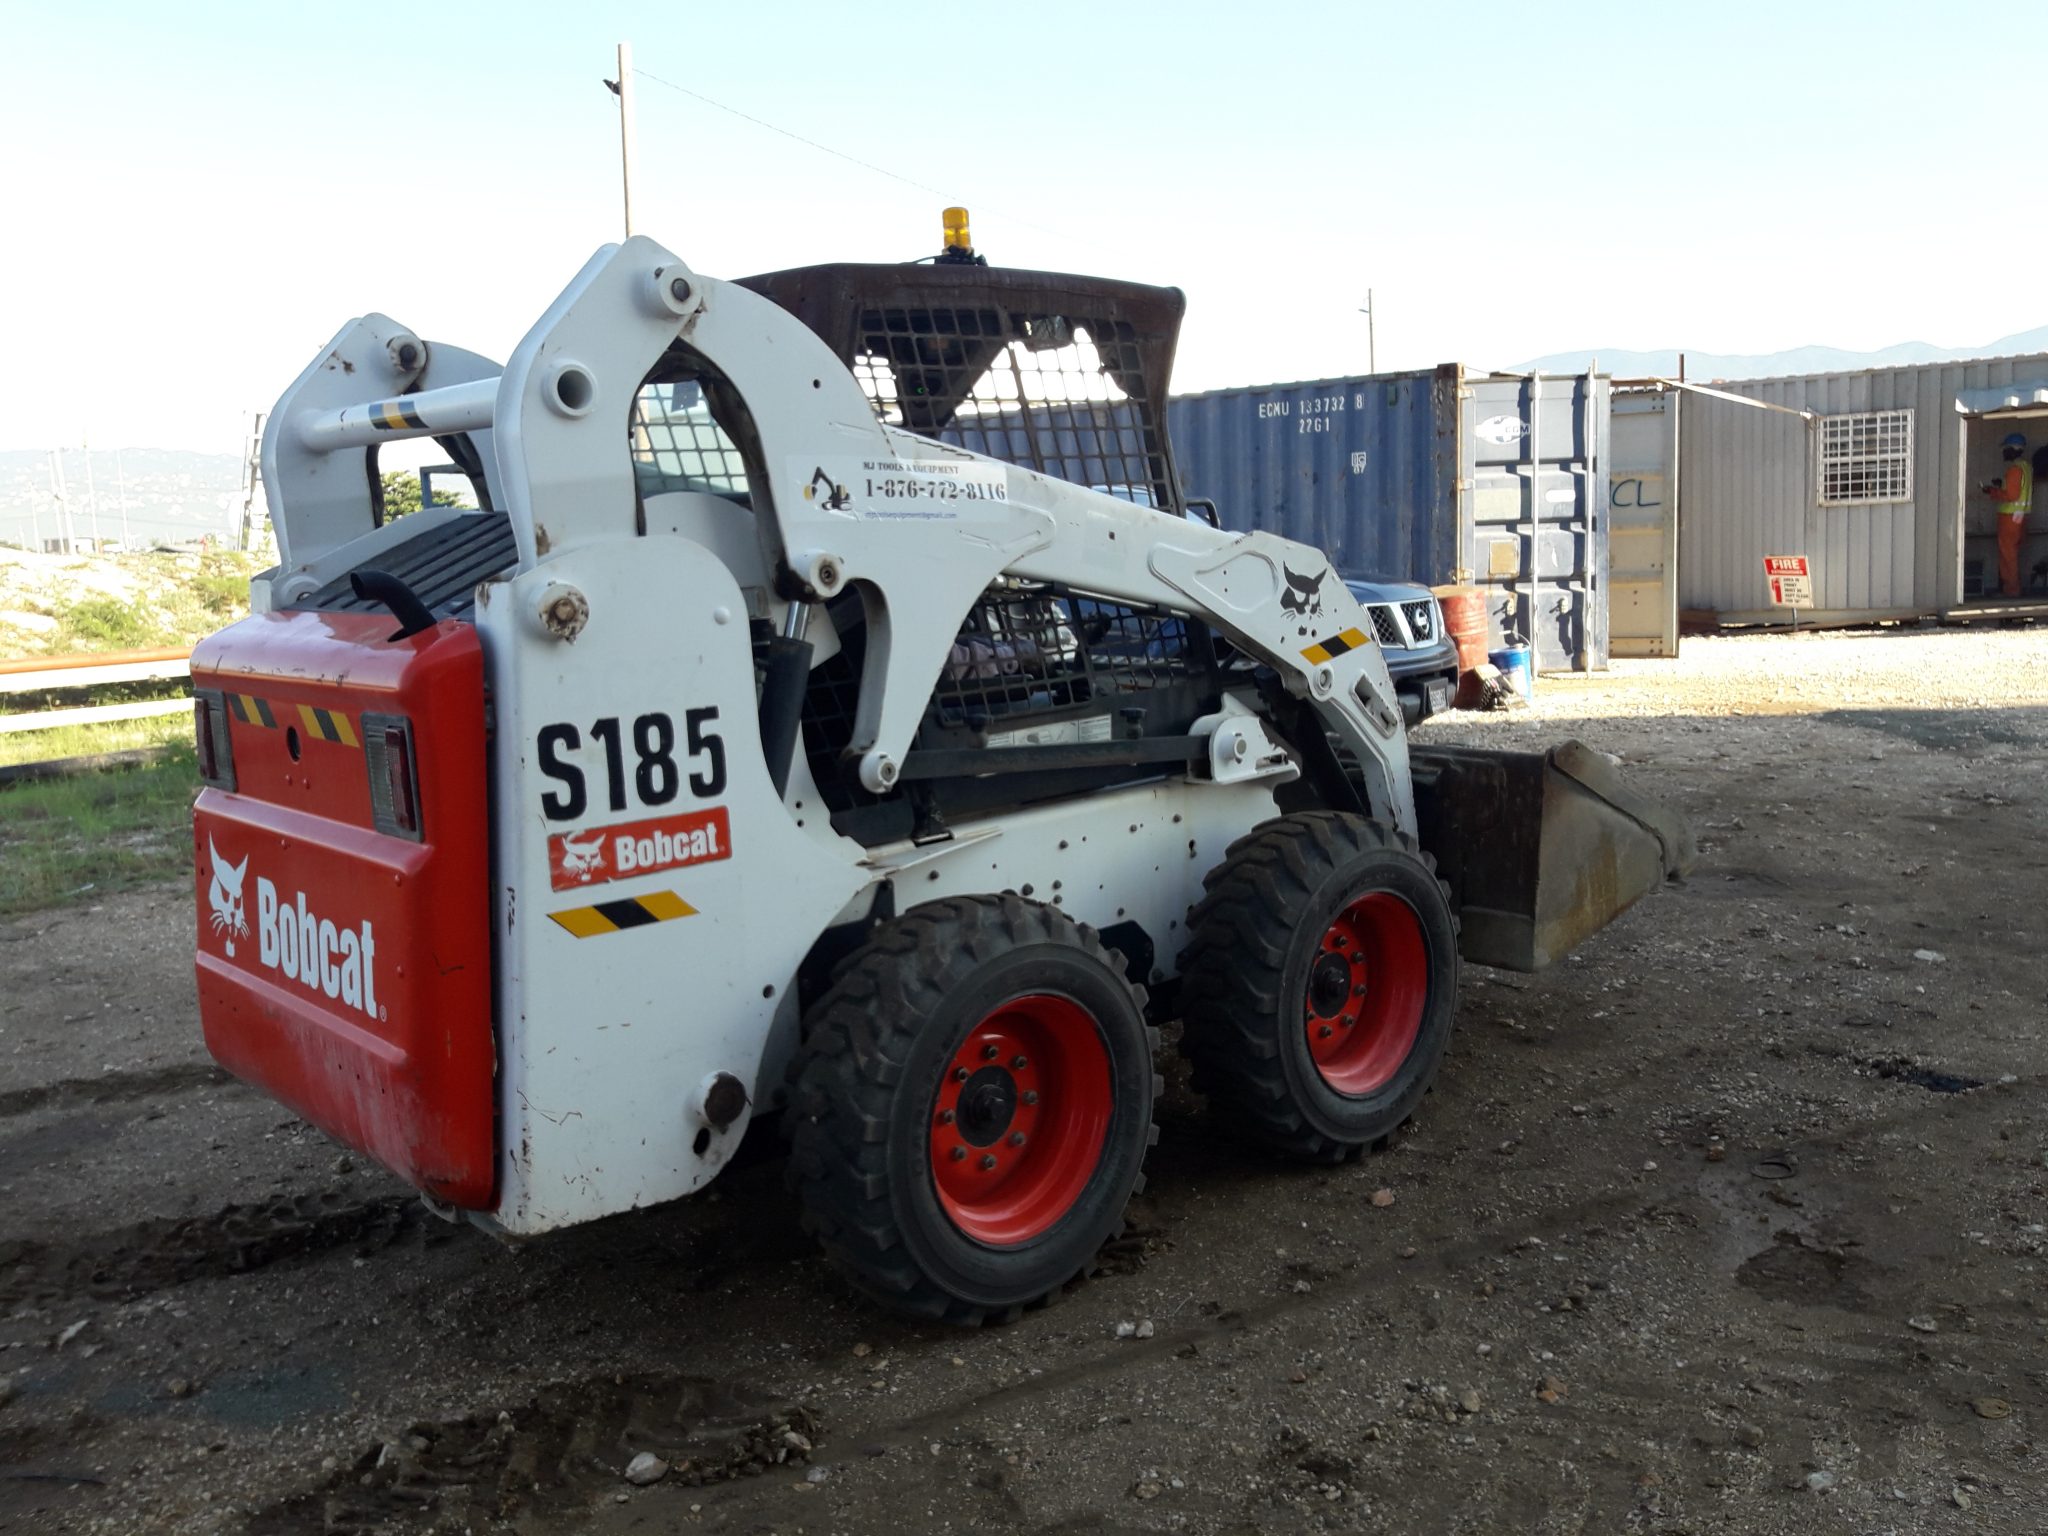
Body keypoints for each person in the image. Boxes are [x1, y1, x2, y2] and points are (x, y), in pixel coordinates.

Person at [1982, 431, 2034, 598]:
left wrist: (1992, 491)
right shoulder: (2026, 467)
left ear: (2013, 449)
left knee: (2007, 555)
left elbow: (2011, 496)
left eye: (2005, 448)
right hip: (2021, 518)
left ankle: (2011, 590)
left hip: (2009, 519)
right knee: (2013, 554)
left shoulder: (2014, 469)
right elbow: (2019, 490)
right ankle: (2014, 587)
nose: (2003, 452)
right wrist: (2001, 484)